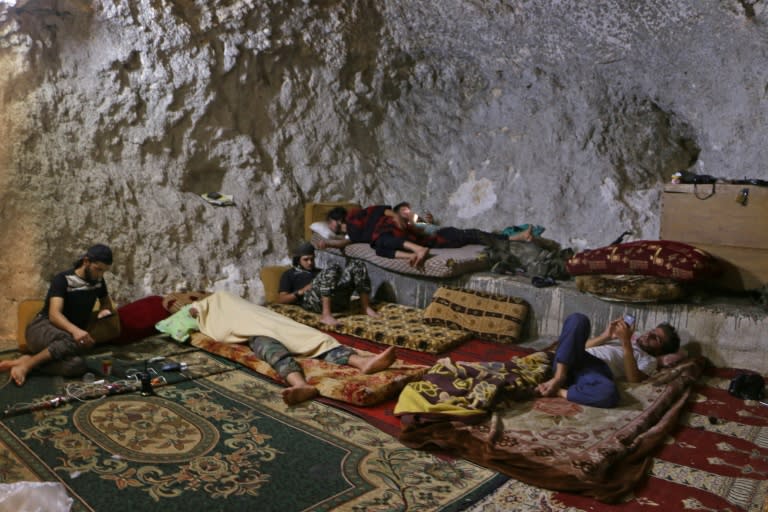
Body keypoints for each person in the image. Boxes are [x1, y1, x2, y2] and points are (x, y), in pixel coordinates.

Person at [189, 290, 396, 405]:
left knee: (305, 335)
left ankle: (362, 362)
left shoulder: (223, 294)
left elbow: (248, 308)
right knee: (270, 348)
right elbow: (202, 319)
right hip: (252, 330)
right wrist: (197, 310)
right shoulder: (206, 304)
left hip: (267, 319)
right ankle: (300, 384)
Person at [0, 244, 118, 386]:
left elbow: (106, 303)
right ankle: (27, 366)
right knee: (69, 340)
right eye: (97, 269)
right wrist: (76, 331)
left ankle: (28, 360)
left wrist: (104, 310)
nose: (100, 275)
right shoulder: (62, 279)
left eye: (103, 271)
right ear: (86, 262)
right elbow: (54, 315)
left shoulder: (98, 281)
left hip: (65, 341)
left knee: (78, 366)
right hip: (42, 328)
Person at [536, 313, 681, 408]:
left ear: (660, 351)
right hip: (568, 361)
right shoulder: (624, 337)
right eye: (652, 331)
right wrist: (606, 336)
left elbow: (633, 378)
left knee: (609, 394)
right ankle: (559, 377)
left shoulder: (649, 359)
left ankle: (559, 391)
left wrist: (626, 342)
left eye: (656, 338)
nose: (649, 335)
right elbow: (580, 346)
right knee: (578, 319)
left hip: (594, 370)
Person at [371, 202, 535, 268]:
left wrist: (427, 221)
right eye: (404, 212)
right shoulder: (398, 224)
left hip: (440, 231)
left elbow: (425, 227)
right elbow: (419, 232)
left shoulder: (411, 221)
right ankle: (516, 237)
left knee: (475, 234)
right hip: (439, 236)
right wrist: (420, 226)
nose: (408, 213)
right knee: (474, 234)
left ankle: (511, 236)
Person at [278, 242, 379, 326]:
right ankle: (326, 315)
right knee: (333, 268)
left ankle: (366, 308)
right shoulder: (290, 274)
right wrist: (301, 291)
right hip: (312, 301)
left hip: (336, 299)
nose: (310, 262)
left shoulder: (319, 271)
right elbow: (281, 299)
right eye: (306, 259)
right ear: (298, 260)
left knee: (357, 264)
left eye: (312, 259)